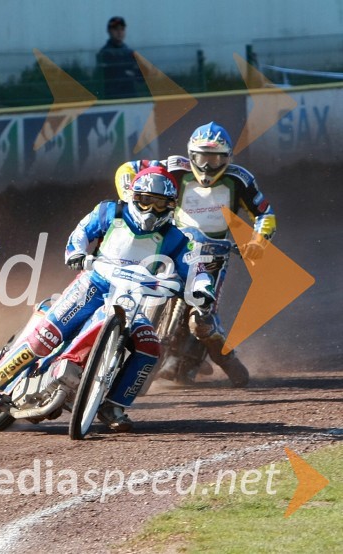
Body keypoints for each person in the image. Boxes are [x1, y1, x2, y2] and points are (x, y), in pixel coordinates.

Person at [0, 167, 215, 431]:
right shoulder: (110, 212)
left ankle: (114, 405)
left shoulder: (176, 237)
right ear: (132, 197)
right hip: (93, 285)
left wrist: (202, 290)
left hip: (132, 299)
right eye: (145, 200)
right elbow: (81, 233)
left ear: (171, 206)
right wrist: (76, 252)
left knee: (150, 347)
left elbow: (196, 269)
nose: (151, 209)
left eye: (160, 203)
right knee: (45, 336)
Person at [114, 122, 277, 387]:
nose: (208, 166)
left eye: (215, 159)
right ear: (191, 156)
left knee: (201, 319)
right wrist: (128, 197)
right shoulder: (174, 167)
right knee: (137, 289)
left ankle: (224, 356)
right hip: (172, 247)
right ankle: (112, 346)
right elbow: (129, 169)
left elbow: (264, 214)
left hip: (214, 256)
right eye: (202, 158)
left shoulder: (240, 179)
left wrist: (258, 243)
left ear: (227, 158)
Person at [97, 16, 141, 100]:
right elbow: (115, 76)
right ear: (109, 31)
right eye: (116, 29)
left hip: (131, 99)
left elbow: (140, 78)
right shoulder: (104, 53)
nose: (119, 32)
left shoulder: (129, 52)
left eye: (122, 29)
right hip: (113, 99)